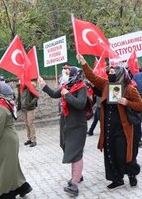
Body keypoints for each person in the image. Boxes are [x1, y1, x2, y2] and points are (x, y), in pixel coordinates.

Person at [77, 53, 142, 189]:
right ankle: (117, 179)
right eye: (110, 70)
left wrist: (127, 102)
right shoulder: (106, 84)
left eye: (113, 70)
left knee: (122, 154)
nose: (110, 71)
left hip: (122, 128)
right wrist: (84, 62)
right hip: (108, 127)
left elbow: (141, 105)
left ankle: (131, 174)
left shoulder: (129, 88)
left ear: (120, 73)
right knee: (110, 153)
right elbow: (92, 77)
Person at [38, 67, 87, 196]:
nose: (64, 75)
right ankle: (78, 175)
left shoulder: (81, 87)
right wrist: (44, 85)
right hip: (66, 124)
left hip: (77, 126)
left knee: (75, 152)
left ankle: (75, 184)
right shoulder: (66, 85)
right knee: (68, 149)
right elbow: (55, 94)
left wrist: (67, 95)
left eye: (67, 73)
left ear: (74, 75)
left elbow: (81, 104)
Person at [0, 81, 32, 199]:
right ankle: (23, 187)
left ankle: (5, 194)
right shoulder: (2, 104)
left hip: (4, 142)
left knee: (2, 168)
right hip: (5, 140)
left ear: (0, 94)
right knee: (9, 166)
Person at [16, 81, 39, 147]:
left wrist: (30, 104)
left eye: (21, 79)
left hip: (30, 109)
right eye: (19, 79)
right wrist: (18, 107)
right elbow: (19, 98)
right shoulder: (19, 88)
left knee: (30, 123)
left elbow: (36, 96)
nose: (19, 80)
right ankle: (29, 139)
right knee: (26, 124)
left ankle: (33, 140)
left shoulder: (30, 87)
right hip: (23, 109)